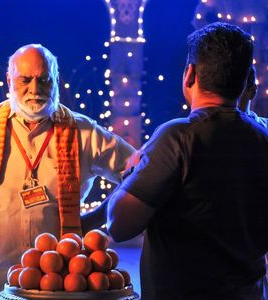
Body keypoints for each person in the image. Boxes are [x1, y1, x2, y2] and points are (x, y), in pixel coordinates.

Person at [0, 44, 135, 299]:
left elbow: (135, 170)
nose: (35, 89)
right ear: (9, 80)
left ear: (55, 81)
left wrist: (98, 217)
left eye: (44, 80)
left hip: (61, 285)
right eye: (26, 80)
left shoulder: (83, 131)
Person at [106, 22, 268, 299]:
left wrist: (131, 174)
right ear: (245, 82)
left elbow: (120, 225)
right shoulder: (263, 137)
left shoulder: (178, 137)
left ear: (190, 74)